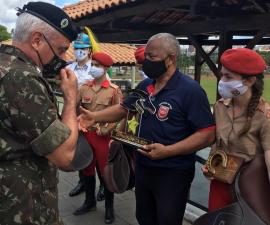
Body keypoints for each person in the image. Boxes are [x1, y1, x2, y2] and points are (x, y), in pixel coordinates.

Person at [78, 33, 216, 225]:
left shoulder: (190, 91)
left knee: (167, 220)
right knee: (144, 218)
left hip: (172, 173)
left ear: (170, 59)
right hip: (143, 168)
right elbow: (123, 108)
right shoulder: (145, 85)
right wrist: (95, 117)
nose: (146, 62)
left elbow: (208, 134)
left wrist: (168, 151)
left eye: (152, 57)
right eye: (146, 57)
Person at [0, 2, 79, 224]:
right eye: (60, 49)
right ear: (37, 40)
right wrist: (70, 99)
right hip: (21, 205)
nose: (64, 58)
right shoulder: (22, 78)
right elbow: (64, 155)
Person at [201, 48, 270, 212]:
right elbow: (219, 144)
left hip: (250, 189)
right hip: (219, 184)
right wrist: (209, 165)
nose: (222, 80)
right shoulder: (219, 107)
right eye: (222, 75)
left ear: (250, 81)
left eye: (228, 77)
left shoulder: (264, 116)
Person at [73, 52, 122, 224]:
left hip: (103, 137)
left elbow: (120, 114)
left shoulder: (114, 90)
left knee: (105, 173)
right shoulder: (85, 87)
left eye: (97, 65)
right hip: (86, 134)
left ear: (106, 68)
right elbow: (74, 107)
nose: (93, 68)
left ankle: (109, 207)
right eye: (92, 64)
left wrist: (108, 128)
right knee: (86, 170)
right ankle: (89, 202)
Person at [66, 30, 107, 201]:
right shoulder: (68, 68)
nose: (79, 51)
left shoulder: (97, 67)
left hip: (92, 116)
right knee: (79, 153)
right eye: (76, 48)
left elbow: (106, 92)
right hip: (73, 116)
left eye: (83, 48)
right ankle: (83, 182)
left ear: (90, 50)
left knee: (98, 156)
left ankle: (103, 187)